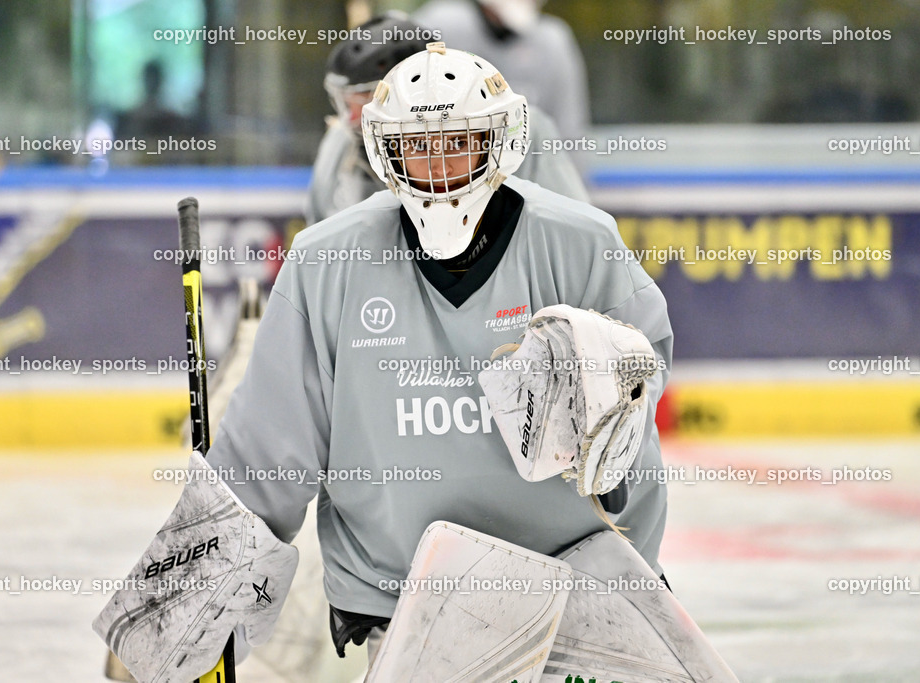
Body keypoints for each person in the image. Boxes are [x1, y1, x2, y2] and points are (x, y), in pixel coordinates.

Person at [204, 42, 672, 664]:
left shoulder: (580, 242)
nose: (439, 164)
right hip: (403, 607)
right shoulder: (326, 260)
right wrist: (197, 602)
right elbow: (265, 459)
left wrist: (635, 570)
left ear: (499, 140)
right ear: (385, 150)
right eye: (418, 144)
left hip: (575, 598)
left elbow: (636, 407)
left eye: (458, 141)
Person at [306, 13, 588, 225]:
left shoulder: (516, 124)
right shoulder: (340, 142)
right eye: (344, 103)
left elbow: (574, 225)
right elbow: (320, 241)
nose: (353, 118)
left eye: (366, 98)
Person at [413, 0, 591, 175]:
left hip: (523, 181)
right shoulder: (442, 24)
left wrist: (572, 193)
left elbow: (568, 125)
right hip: (446, 176)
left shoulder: (551, 41)